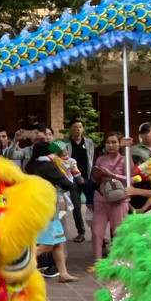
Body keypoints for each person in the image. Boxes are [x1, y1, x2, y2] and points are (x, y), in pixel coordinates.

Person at [25, 143, 78, 283]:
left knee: (58, 242)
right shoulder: (48, 166)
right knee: (47, 245)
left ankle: (63, 273)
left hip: (37, 204)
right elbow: (67, 184)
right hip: (47, 206)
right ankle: (23, 266)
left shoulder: (31, 166)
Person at [88, 132, 129, 273]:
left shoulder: (125, 160)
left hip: (119, 200)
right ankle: (98, 262)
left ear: (120, 144)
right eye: (108, 143)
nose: (111, 146)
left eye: (114, 142)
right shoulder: (100, 159)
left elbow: (132, 178)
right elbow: (93, 180)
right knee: (97, 231)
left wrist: (113, 175)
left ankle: (118, 261)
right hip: (101, 198)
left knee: (118, 231)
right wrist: (97, 175)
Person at [66, 119, 95, 243]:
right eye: (75, 127)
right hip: (73, 180)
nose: (78, 129)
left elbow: (91, 158)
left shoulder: (88, 142)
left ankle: (97, 234)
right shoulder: (66, 143)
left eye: (80, 127)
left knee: (93, 205)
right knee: (76, 206)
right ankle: (81, 232)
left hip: (87, 177)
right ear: (70, 129)